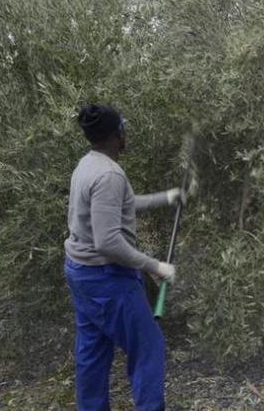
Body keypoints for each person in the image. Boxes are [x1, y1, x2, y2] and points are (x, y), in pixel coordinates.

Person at [64, 103, 182, 411]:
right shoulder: (108, 175)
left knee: (93, 349)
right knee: (148, 346)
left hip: (80, 273)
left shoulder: (88, 165)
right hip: (107, 278)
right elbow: (109, 243)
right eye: (124, 129)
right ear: (118, 134)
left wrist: (166, 198)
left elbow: (121, 205)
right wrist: (155, 266)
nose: (125, 134)